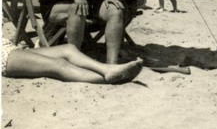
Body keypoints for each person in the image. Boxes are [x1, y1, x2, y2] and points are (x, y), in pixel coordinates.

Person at [2, 37, 142, 84]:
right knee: (58, 64)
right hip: (3, 56)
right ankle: (111, 77)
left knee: (69, 49)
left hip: (8, 47)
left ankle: (107, 69)